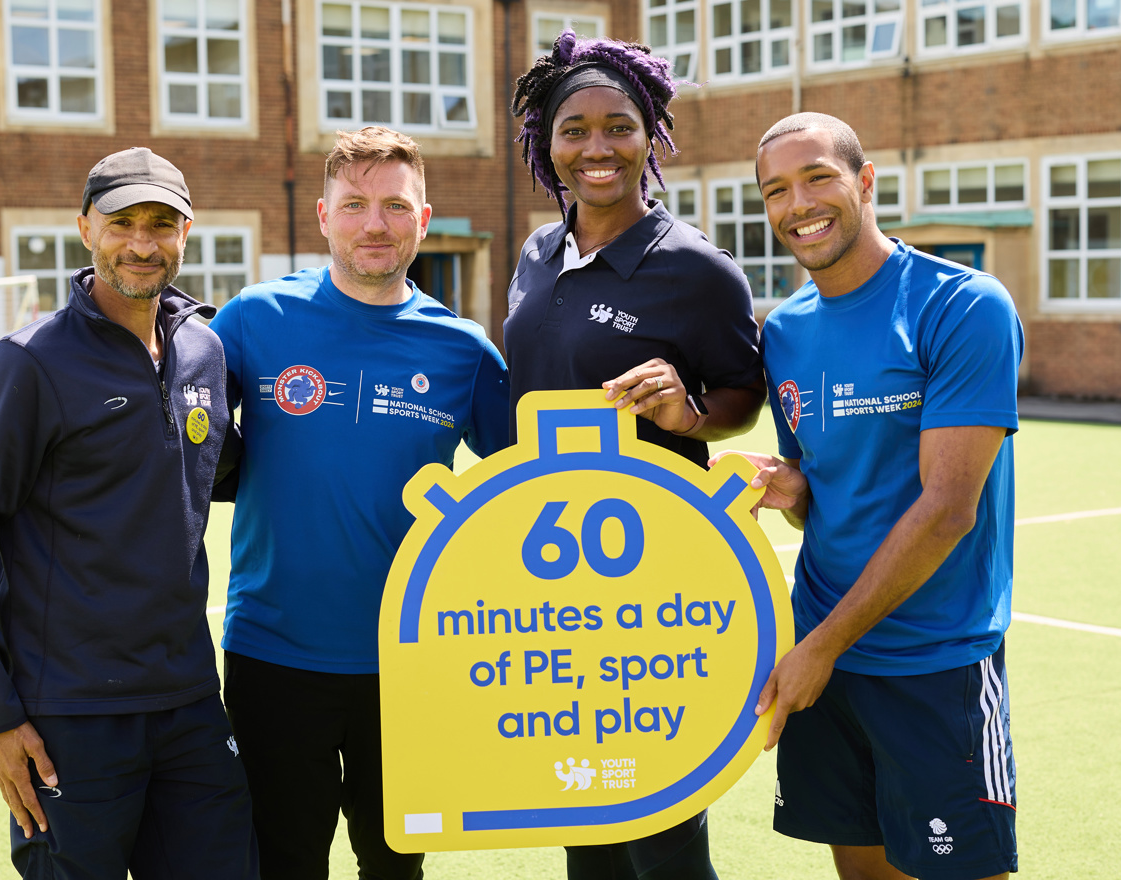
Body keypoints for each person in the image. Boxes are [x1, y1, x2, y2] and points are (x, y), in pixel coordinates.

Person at [713, 112, 1023, 880]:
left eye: (818, 176)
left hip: (931, 661)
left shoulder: (962, 305)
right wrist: (794, 490)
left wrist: (819, 647)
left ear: (866, 181)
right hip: (825, 659)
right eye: (776, 190)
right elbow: (827, 492)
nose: (799, 204)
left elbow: (950, 508)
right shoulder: (783, 331)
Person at [0, 147, 257, 879]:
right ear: (86, 227)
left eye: (161, 223)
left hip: (188, 702)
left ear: (187, 230)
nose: (142, 243)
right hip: (70, 716)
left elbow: (230, 469)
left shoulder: (204, 351)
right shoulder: (28, 365)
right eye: (123, 223)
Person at [209, 126, 510, 879]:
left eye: (394, 206)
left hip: (410, 657)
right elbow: (177, 434)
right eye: (354, 205)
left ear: (424, 218)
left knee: (395, 863)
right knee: (283, 861)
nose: (374, 224)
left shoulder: (463, 349)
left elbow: (529, 485)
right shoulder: (252, 321)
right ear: (321, 216)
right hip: (273, 655)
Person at [505, 30, 766, 880]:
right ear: (546, 145)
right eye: (573, 129)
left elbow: (743, 394)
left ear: (652, 135)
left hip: (650, 575)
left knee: (659, 822)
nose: (596, 147)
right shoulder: (536, 254)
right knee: (582, 806)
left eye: (619, 125)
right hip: (551, 575)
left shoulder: (696, 270)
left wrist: (690, 417)